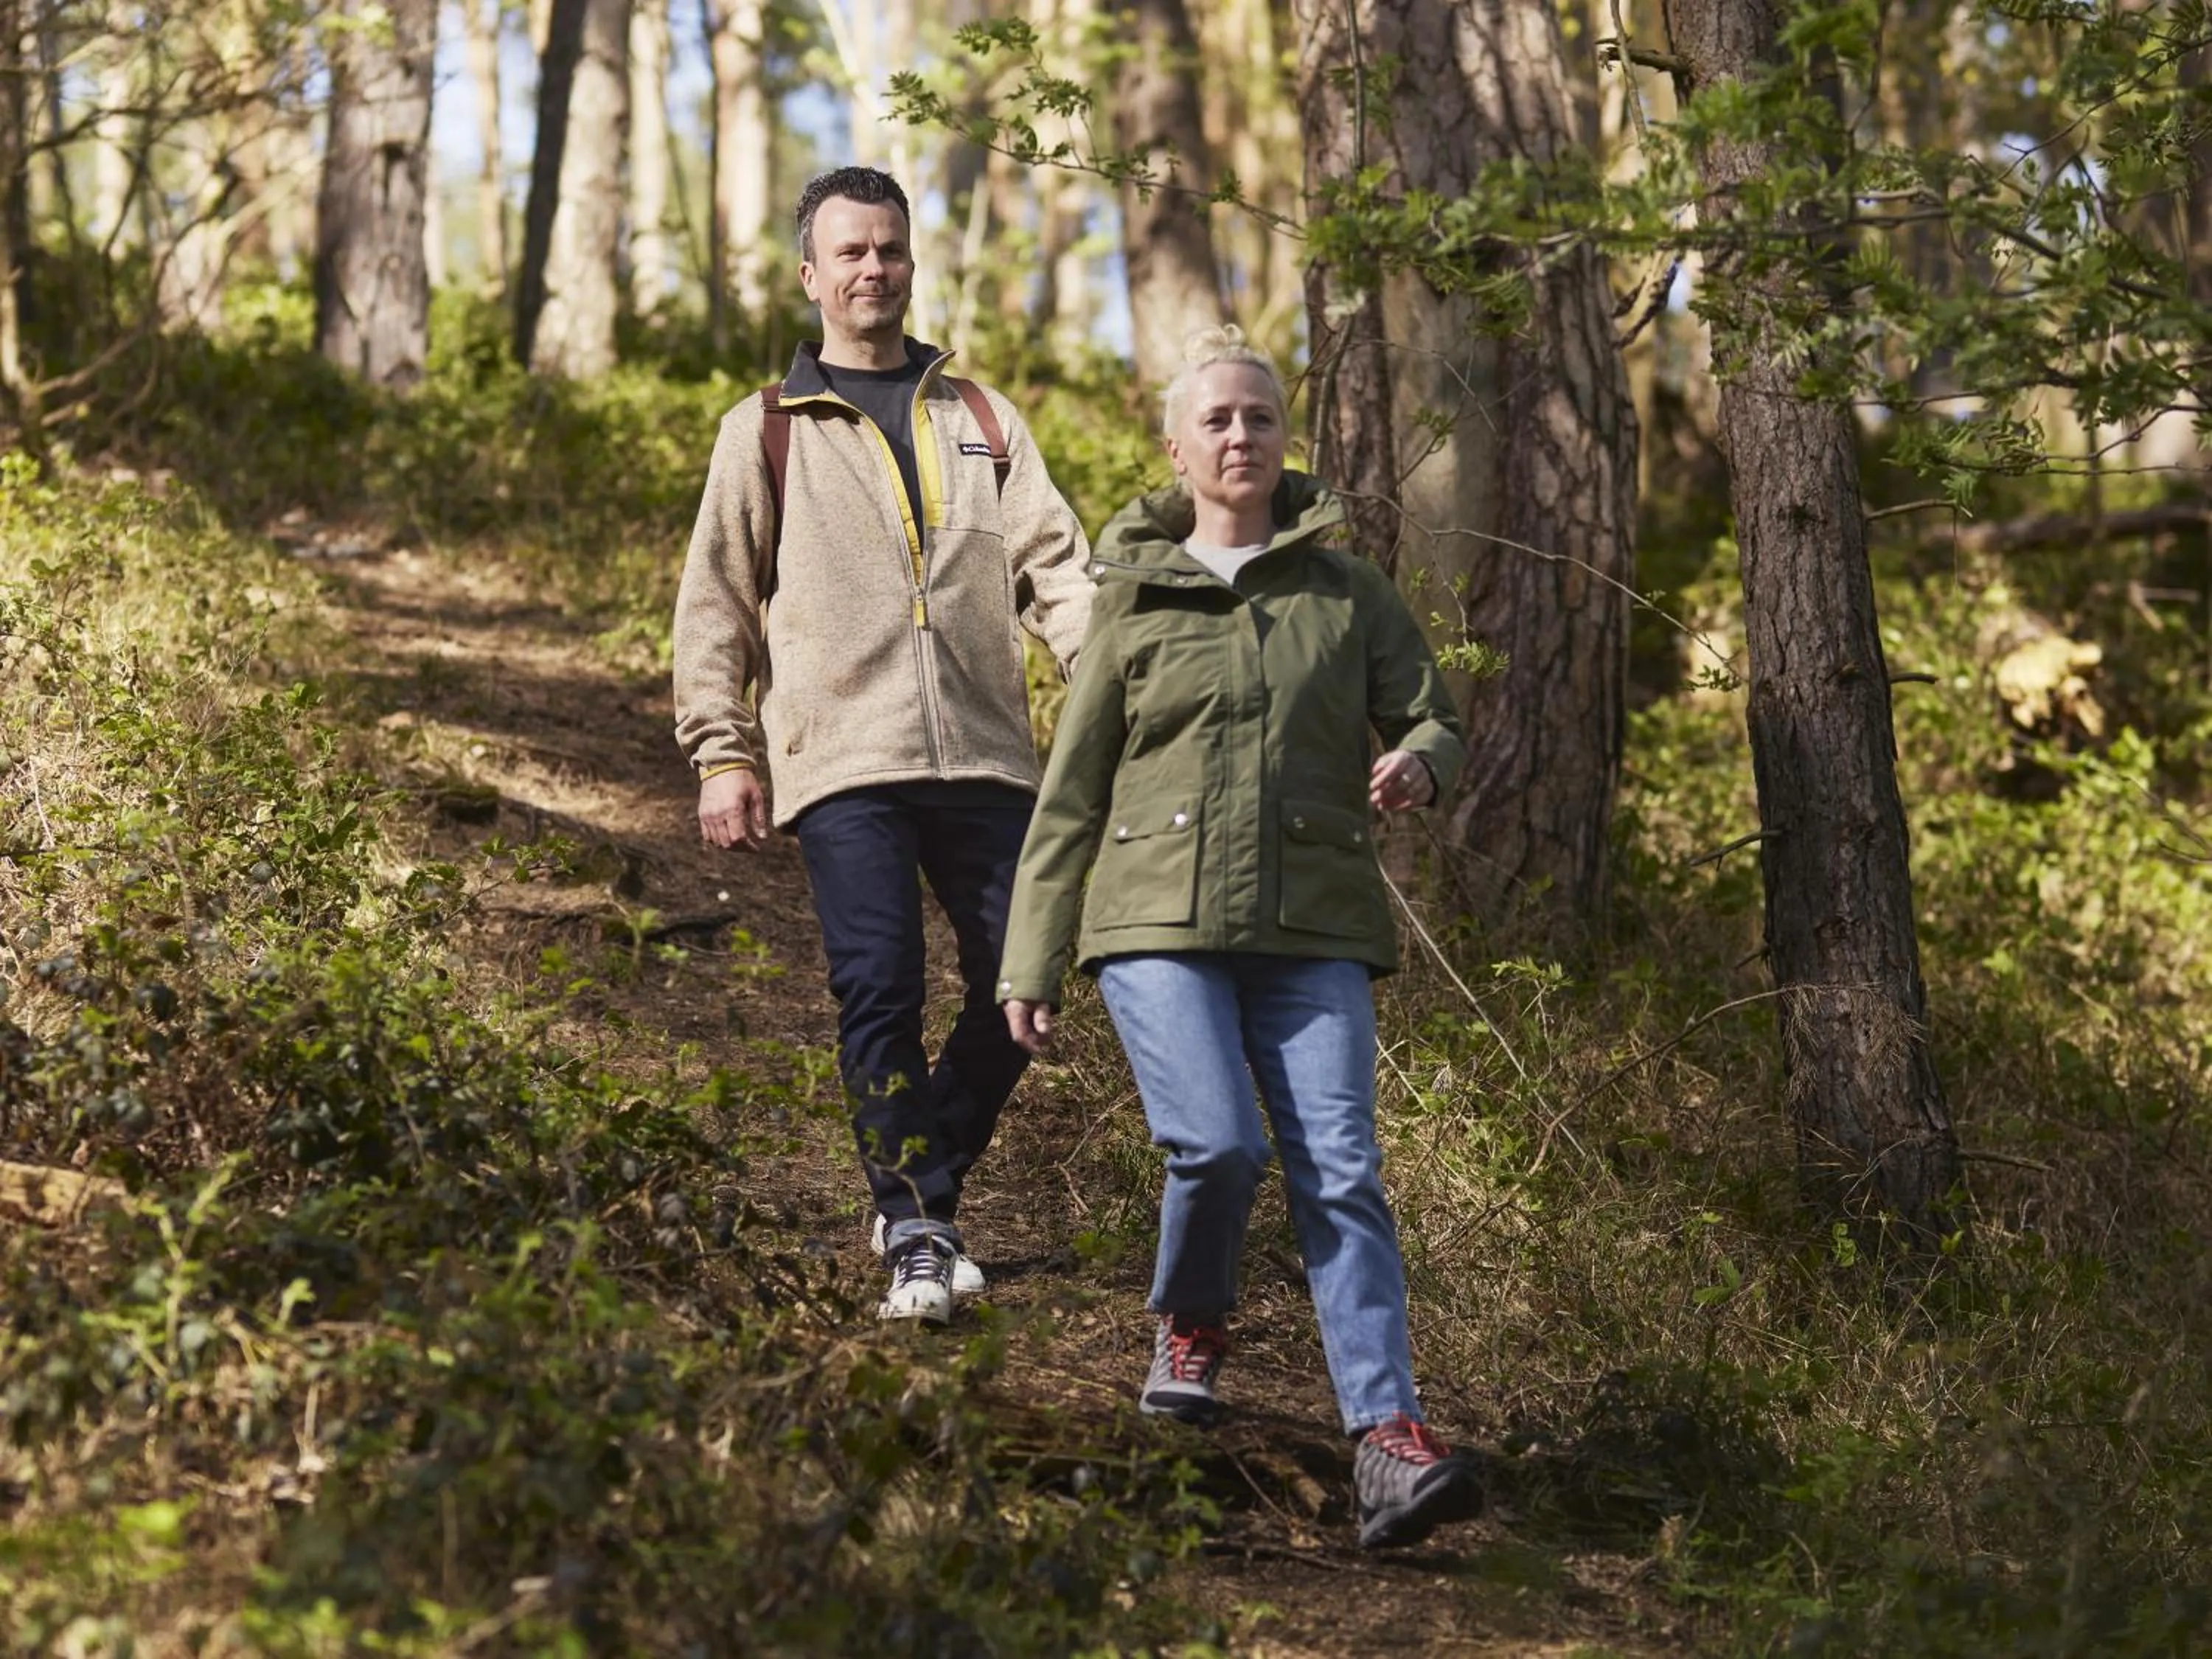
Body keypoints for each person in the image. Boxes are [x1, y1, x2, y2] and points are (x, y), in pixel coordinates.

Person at [994, 326, 1478, 1550]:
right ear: (1177, 445)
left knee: (1343, 1169)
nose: (1240, 436)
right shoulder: (1133, 598)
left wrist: (1419, 763)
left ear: (1283, 440)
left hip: (1313, 919)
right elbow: (1073, 792)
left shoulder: (1347, 591)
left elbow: (1434, 715)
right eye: (1215, 419)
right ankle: (1191, 1321)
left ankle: (1386, 1437)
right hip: (1154, 920)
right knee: (1214, 1146)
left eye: (1260, 418)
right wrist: (1032, 958)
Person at [673, 167, 1093, 1325]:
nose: (874, 269)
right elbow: (714, 602)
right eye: (850, 252)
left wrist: (1120, 686)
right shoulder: (765, 429)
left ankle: (918, 1173)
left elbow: (1059, 571)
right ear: (811, 275)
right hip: (844, 755)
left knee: (1028, 975)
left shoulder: (982, 418)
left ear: (912, 263)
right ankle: (916, 1226)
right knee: (882, 987)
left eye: (891, 250)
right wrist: (722, 751)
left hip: (987, 756)